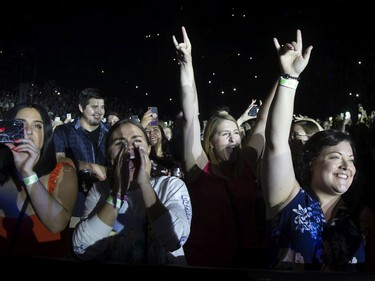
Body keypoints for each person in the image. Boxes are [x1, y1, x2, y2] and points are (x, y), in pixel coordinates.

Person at [262, 29, 375, 271]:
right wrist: (289, 78)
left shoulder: (361, 216)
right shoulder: (288, 200)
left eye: (351, 159)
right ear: (312, 162)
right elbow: (276, 142)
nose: (347, 166)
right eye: (336, 157)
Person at [173, 26, 276, 268]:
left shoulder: (247, 164)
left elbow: (262, 121)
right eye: (225, 134)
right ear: (210, 141)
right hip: (205, 263)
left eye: (237, 133)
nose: (234, 138)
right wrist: (187, 64)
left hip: (246, 263)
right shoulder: (199, 167)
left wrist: (285, 76)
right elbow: (190, 117)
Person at [72, 119, 192, 265]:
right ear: (109, 155)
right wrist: (118, 192)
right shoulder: (99, 191)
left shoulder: (171, 186)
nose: (129, 148)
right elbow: (81, 249)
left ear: (148, 148)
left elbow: (176, 240)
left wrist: (145, 184)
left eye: (137, 141)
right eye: (119, 143)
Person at [0, 102, 78, 257]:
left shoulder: (63, 170)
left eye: (37, 126)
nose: (28, 131)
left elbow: (57, 225)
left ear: (46, 135)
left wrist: (28, 173)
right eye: (20, 124)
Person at [53, 88, 109, 224]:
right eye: (94, 106)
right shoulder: (63, 132)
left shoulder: (111, 133)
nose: (99, 111)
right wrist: (93, 168)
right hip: (76, 206)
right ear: (81, 107)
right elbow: (59, 161)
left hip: (106, 205)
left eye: (102, 107)